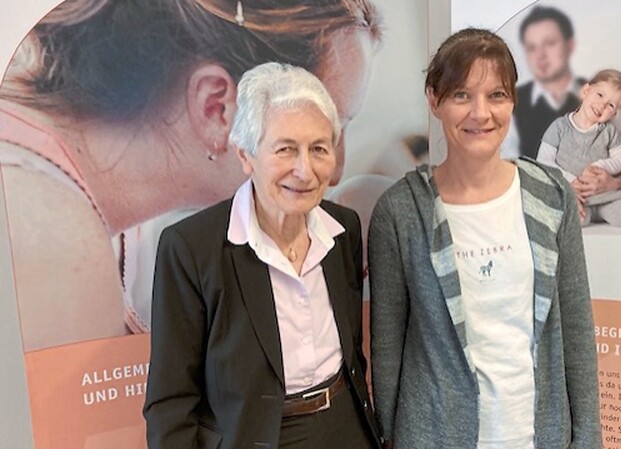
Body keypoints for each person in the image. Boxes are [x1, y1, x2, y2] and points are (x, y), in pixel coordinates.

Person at [0, 0, 381, 351]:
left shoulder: (123, 232)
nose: (336, 171)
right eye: (323, 131)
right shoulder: (51, 246)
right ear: (218, 107)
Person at [369, 28, 601, 449]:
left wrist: (587, 439)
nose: (481, 113)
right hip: (433, 435)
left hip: (536, 435)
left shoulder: (550, 195)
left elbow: (577, 330)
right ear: (434, 100)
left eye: (496, 95)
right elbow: (388, 351)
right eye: (461, 95)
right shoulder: (400, 211)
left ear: (512, 101)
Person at [144, 62, 380, 449]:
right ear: (246, 155)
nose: (305, 170)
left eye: (319, 149)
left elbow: (352, 349)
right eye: (285, 149)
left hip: (344, 427)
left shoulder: (344, 229)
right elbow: (171, 400)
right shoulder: (192, 248)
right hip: (253, 437)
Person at [503, 5, 621, 208]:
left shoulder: (605, 92)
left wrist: (614, 182)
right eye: (532, 47)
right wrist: (567, 187)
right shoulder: (513, 101)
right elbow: (510, 165)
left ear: (569, 45)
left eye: (550, 43)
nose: (541, 55)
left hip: (599, 197)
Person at [537, 69, 621, 227]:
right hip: (571, 192)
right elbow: (543, 161)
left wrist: (600, 165)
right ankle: (586, 212)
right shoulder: (560, 127)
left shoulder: (609, 132)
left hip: (603, 195)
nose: (602, 105)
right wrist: (570, 181)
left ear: (614, 113)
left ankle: (598, 211)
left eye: (611, 105)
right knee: (575, 219)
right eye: (600, 95)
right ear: (586, 91)